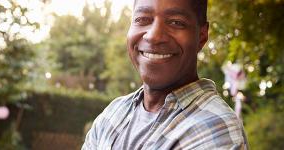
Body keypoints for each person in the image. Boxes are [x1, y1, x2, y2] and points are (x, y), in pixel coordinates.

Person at [82, 0, 248, 149]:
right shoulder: (113, 113)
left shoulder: (215, 130)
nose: (154, 36)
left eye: (176, 22)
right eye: (142, 19)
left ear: (202, 36)